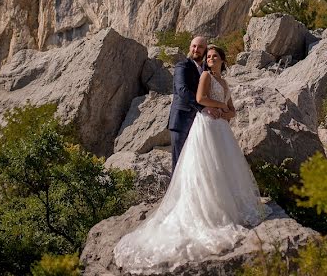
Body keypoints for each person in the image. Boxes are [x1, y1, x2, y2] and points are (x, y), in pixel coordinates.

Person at [113, 45, 269, 274]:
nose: (211, 59)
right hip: (205, 125)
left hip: (221, 128)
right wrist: (218, 107)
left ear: (223, 61)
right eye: (208, 56)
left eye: (215, 56)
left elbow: (233, 110)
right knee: (206, 166)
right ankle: (207, 207)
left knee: (223, 168)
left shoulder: (224, 82)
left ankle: (227, 206)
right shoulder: (205, 75)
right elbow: (200, 98)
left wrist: (224, 112)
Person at [168, 35, 220, 170]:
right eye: (194, 46)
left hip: (199, 123)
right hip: (181, 120)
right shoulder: (182, 65)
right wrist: (203, 107)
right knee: (179, 164)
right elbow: (182, 90)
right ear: (190, 47)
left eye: (200, 47)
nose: (196, 49)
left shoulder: (206, 69)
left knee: (195, 164)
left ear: (205, 50)